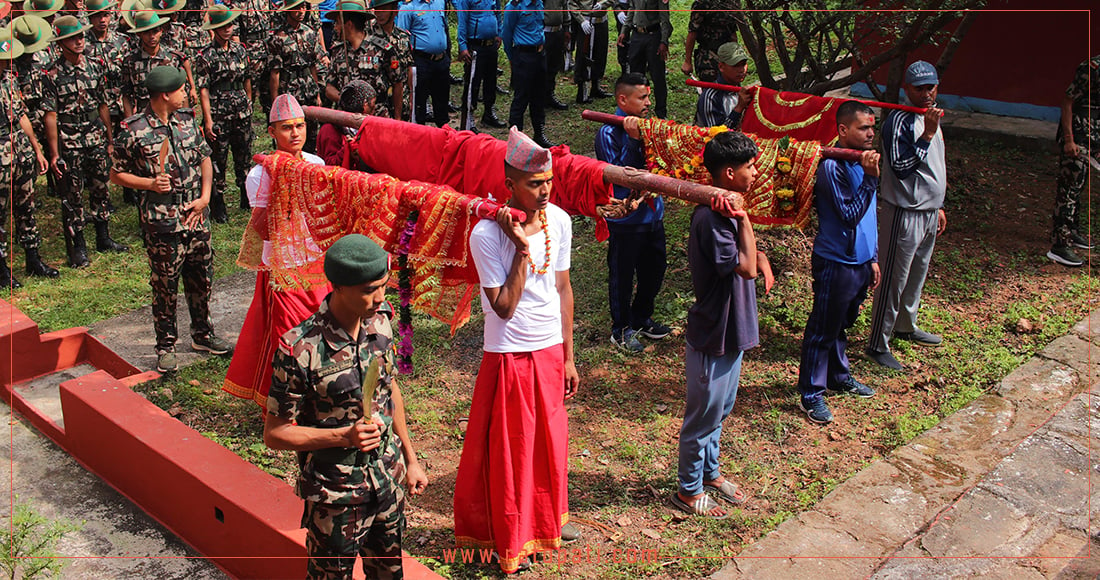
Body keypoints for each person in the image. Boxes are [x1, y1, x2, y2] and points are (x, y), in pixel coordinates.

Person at [264, 233, 428, 579]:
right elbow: (276, 434)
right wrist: (344, 436)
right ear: (338, 287)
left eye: (383, 285)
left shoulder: (380, 321)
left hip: (387, 479)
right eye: (369, 290)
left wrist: (411, 460)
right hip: (335, 496)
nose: (379, 297)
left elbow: (390, 390)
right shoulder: (299, 350)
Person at [453, 127, 580, 573]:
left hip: (549, 349)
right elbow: (503, 307)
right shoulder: (487, 236)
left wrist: (568, 355)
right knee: (513, 450)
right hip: (508, 351)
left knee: (551, 442)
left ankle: (547, 520)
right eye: (534, 184)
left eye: (548, 181)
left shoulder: (560, 220)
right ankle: (513, 537)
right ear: (510, 184)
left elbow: (562, 289)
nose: (544, 190)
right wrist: (522, 250)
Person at [672, 130, 771, 520]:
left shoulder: (725, 213)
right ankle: (688, 488)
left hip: (734, 329)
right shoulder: (712, 219)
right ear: (729, 174)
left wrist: (755, 245)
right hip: (714, 331)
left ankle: (710, 473)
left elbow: (750, 257)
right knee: (704, 414)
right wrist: (745, 218)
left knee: (722, 408)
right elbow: (744, 267)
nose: (755, 172)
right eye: (749, 167)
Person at [110, 65, 233, 373]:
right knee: (165, 285)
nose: (186, 93)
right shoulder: (133, 130)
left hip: (195, 216)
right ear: (165, 95)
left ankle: (202, 334)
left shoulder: (187, 120)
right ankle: (166, 345)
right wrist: (149, 184)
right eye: (181, 90)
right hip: (162, 221)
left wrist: (206, 198)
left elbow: (204, 157)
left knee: (201, 278)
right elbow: (116, 174)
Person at [224, 94, 333, 406]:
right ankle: (283, 404)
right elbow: (260, 227)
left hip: (315, 260)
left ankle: (320, 394)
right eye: (287, 128)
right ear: (272, 132)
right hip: (282, 266)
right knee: (287, 336)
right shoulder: (260, 174)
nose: (296, 133)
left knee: (321, 327)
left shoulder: (317, 164)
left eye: (300, 126)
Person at [796, 101, 881, 425]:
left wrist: (872, 258)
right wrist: (871, 179)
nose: (870, 133)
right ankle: (811, 393)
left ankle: (837, 375)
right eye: (863, 128)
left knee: (842, 324)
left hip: (860, 261)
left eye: (872, 127)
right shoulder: (833, 166)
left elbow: (869, 217)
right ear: (843, 130)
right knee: (822, 327)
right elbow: (848, 216)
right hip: (836, 261)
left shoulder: (863, 161)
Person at [866, 60, 947, 371]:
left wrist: (940, 204)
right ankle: (877, 343)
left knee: (917, 274)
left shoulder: (931, 118)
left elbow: (937, 165)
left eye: (931, 87)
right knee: (893, 278)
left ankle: (905, 325)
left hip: (928, 210)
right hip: (905, 211)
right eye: (919, 88)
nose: (927, 93)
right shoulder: (900, 121)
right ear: (907, 90)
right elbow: (901, 169)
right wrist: (926, 135)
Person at [44, 15, 129, 268]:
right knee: (72, 194)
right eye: (74, 37)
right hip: (69, 137)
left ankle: (103, 237)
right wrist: (54, 152)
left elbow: (103, 104)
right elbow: (51, 115)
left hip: (94, 134)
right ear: (61, 42)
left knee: (100, 187)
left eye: (82, 36)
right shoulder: (52, 74)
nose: (80, 40)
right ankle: (78, 247)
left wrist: (109, 138)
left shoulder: (94, 65)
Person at [595, 73, 670, 352]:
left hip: (653, 214)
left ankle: (641, 316)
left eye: (649, 96)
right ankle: (621, 328)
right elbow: (621, 175)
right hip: (626, 217)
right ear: (623, 100)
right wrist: (632, 140)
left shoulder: (648, 125)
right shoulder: (607, 131)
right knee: (622, 274)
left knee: (655, 269)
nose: (648, 103)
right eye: (642, 98)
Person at [1, 27, 58, 288]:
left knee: (26, 207)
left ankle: (33, 259)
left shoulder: (9, 80)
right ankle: (1, 268)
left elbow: (21, 115)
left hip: (20, 152)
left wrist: (36, 148)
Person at [196, 4, 253, 222]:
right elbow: (203, 89)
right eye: (224, 26)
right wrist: (208, 120)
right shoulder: (206, 55)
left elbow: (247, 78)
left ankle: (245, 195)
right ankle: (218, 202)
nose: (228, 29)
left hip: (241, 110)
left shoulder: (240, 50)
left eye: (230, 24)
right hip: (219, 112)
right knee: (218, 157)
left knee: (243, 154)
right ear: (215, 29)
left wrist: (248, 102)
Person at [1047, 54, 1098, 267]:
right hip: (1078, 136)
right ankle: (1060, 244)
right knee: (1069, 190)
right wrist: (1069, 140)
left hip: (1095, 137)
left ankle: (1073, 231)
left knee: (1080, 186)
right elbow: (1067, 101)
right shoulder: (1092, 68)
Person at [326, 0, 402, 121]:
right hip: (347, 120)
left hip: (377, 118)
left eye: (338, 23)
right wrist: (346, 99)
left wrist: (398, 119)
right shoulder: (338, 51)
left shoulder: (381, 49)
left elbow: (397, 83)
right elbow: (329, 88)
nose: (335, 27)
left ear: (349, 24)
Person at [269, 0, 322, 148]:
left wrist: (317, 93)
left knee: (311, 134)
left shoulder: (310, 33)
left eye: (304, 7)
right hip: (289, 90)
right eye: (297, 7)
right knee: (288, 136)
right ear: (288, 10)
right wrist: (275, 102)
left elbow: (313, 66)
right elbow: (275, 72)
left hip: (309, 89)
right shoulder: (278, 37)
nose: (301, 11)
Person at [500, 0, 554, 147]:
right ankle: (516, 139)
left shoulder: (539, 3)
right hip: (523, 55)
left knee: (539, 96)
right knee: (521, 97)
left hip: (539, 54)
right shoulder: (514, 6)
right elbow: (506, 34)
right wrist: (513, 58)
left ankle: (539, 133)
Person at [396, 0, 449, 127]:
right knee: (419, 103)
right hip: (421, 61)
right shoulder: (408, 8)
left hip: (441, 60)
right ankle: (419, 137)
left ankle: (444, 138)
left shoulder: (439, 2)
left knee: (442, 102)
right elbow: (401, 39)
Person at [454, 0, 505, 131]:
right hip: (475, 45)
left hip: (491, 45)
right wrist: (463, 46)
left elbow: (498, 13)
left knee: (491, 80)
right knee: (473, 83)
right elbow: (462, 20)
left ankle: (489, 112)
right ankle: (468, 118)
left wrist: (499, 33)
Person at [617, 0, 669, 118]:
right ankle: (637, 110)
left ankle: (661, 113)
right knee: (635, 75)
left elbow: (664, 17)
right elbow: (631, 9)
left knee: (657, 76)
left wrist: (663, 41)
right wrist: (625, 30)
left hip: (653, 35)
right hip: (637, 35)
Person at [366, 0, 411, 120]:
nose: (379, 14)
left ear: (395, 10)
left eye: (384, 10)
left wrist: (411, 100)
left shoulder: (403, 37)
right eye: (377, 10)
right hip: (379, 106)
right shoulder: (368, 36)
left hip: (402, 102)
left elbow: (409, 69)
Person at [317, 80, 376, 169]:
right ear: (364, 105)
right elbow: (328, 165)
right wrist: (348, 149)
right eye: (373, 103)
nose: (374, 108)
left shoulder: (364, 126)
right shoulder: (330, 130)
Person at [694, 41, 753, 130]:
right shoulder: (710, 97)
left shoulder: (740, 90)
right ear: (721, 67)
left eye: (743, 64)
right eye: (736, 66)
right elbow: (716, 137)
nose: (741, 70)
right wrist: (739, 108)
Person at [681, 0, 740, 82]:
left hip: (727, 56)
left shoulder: (731, 3)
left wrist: (736, 57)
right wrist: (687, 61)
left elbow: (733, 33)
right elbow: (692, 33)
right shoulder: (702, 4)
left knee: (731, 90)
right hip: (708, 57)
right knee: (711, 90)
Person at [569, 0, 611, 104]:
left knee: (600, 55)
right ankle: (582, 92)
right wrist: (581, 20)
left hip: (601, 22)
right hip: (587, 22)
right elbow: (571, 3)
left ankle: (596, 86)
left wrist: (603, 4)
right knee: (584, 56)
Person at [542, 0, 569, 111]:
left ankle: (549, 95)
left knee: (554, 65)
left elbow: (565, 9)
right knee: (543, 66)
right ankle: (540, 97)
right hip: (544, 32)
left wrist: (567, 29)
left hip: (558, 31)